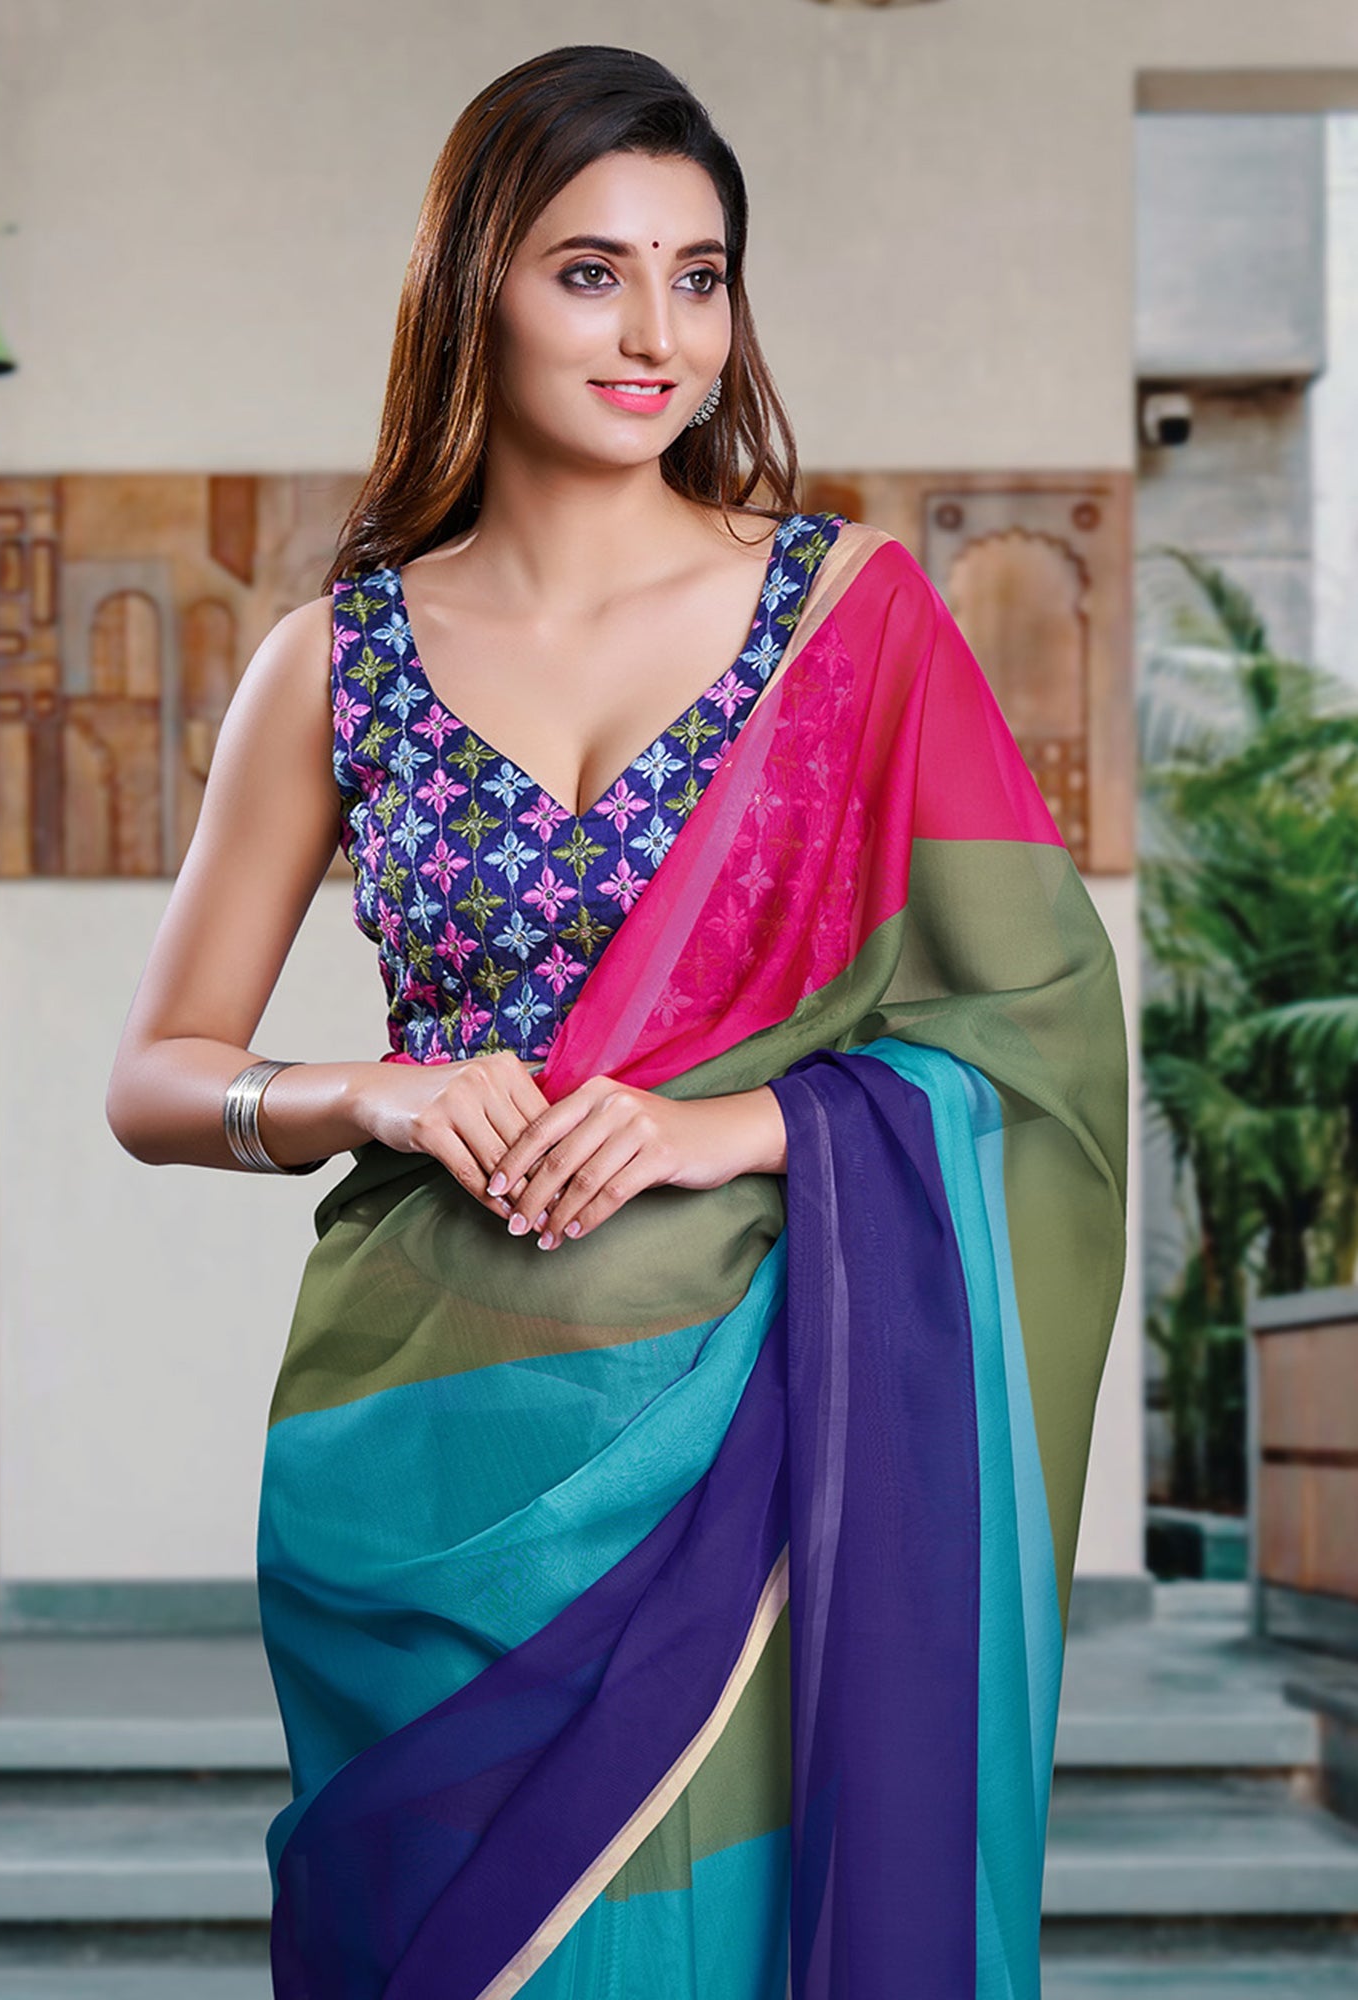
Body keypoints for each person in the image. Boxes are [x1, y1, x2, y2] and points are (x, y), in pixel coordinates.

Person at [105, 43, 1127, 2000]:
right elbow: (155, 1077)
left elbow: (1039, 1028)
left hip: (765, 1442)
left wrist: (728, 1126)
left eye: (699, 275)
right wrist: (377, 1095)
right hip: (415, 1445)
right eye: (592, 272)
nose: (659, 333)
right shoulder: (334, 660)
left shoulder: (852, 621)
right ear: (472, 288)